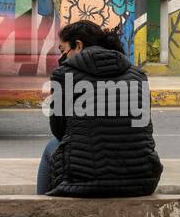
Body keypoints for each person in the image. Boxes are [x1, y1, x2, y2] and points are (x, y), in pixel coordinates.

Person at [37, 20, 163, 198]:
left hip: (82, 181)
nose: (61, 57)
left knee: (53, 145)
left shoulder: (64, 75)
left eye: (63, 50)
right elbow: (144, 128)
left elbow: (59, 131)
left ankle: (42, 206)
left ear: (79, 45)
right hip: (143, 181)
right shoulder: (138, 75)